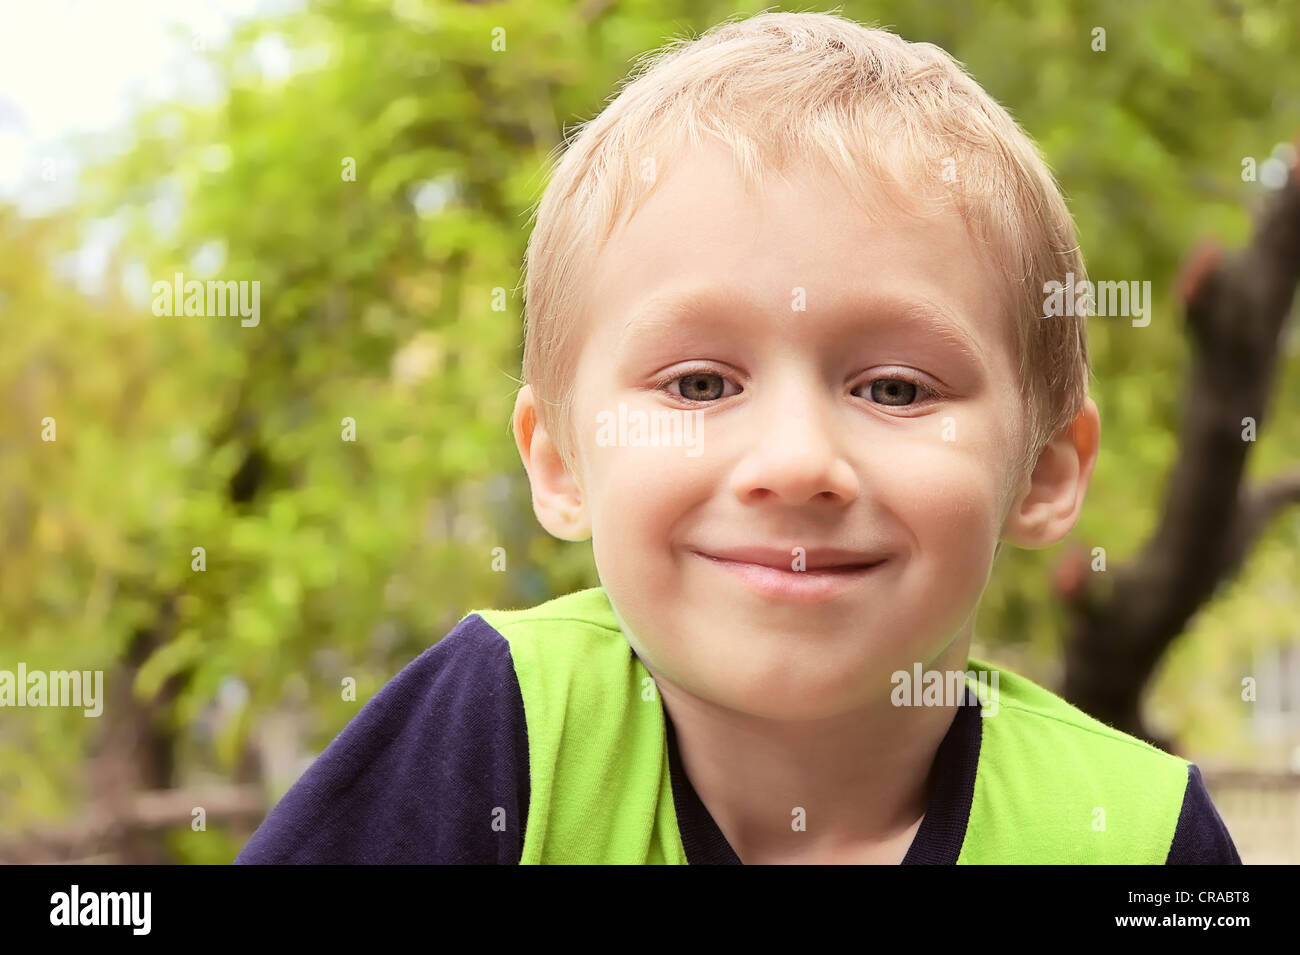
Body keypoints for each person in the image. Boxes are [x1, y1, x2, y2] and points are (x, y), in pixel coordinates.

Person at [235, 11, 1240, 864]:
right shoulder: (499, 735)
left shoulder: (1135, 835)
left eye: (894, 387)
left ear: (1045, 473)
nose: (796, 461)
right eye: (701, 381)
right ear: (557, 460)